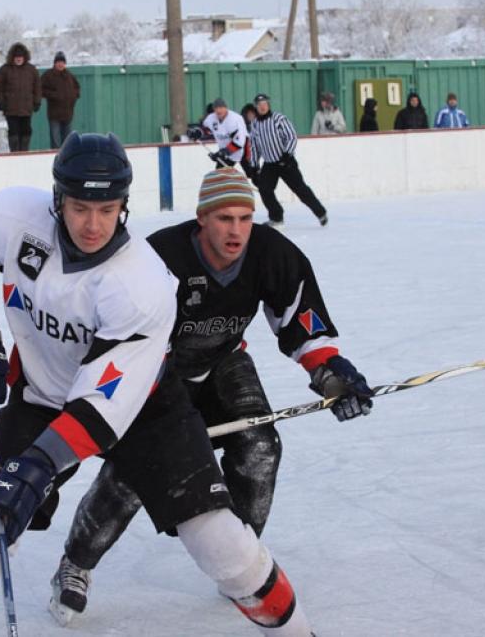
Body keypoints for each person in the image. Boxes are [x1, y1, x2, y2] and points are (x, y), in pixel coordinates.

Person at [0, 133, 317, 637]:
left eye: (107, 209)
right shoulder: (13, 214)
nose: (92, 224)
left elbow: (100, 408)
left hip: (146, 410)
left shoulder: (143, 284)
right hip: (42, 396)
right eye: (80, 207)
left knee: (222, 543)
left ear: (124, 206)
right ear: (58, 198)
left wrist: (35, 471)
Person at [49, 167, 372, 626]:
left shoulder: (272, 254)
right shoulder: (158, 256)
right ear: (202, 219)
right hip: (155, 370)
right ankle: (75, 563)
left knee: (260, 447)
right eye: (224, 219)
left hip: (223, 362)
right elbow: (116, 330)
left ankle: (241, 562)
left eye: (244, 218)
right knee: (136, 472)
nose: (236, 230)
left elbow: (300, 319)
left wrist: (331, 374)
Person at [248, 93, 328, 228]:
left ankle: (321, 213)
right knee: (264, 189)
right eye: (259, 105)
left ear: (268, 105)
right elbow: (255, 145)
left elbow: (291, 137)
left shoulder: (278, 119)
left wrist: (287, 154)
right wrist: (254, 166)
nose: (262, 107)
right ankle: (276, 217)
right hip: (269, 164)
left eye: (265, 104)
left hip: (286, 162)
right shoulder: (255, 124)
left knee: (300, 189)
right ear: (256, 107)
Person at [0, 42, 41, 152]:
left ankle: (24, 152)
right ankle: (15, 153)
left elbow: (37, 86)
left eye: (20, 57)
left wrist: (37, 101)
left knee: (26, 131)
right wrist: (0, 102)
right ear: (12, 57)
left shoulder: (31, 70)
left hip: (26, 108)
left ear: (25, 57)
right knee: (13, 132)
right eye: (16, 57)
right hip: (10, 108)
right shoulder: (4, 70)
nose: (19, 59)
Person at [194, 98, 249, 169]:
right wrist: (197, 133)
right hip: (227, 153)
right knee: (220, 175)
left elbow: (239, 143)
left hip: (244, 151)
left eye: (221, 107)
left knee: (251, 174)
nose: (218, 110)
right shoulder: (211, 118)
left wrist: (222, 153)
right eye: (216, 108)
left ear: (226, 108)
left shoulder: (235, 119)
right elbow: (206, 130)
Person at [41, 51, 81, 149]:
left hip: (68, 114)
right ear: (54, 63)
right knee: (56, 142)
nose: (60, 64)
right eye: (58, 62)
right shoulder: (48, 75)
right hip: (54, 114)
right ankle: (55, 158)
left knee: (68, 142)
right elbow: (40, 89)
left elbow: (77, 88)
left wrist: (74, 96)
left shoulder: (69, 76)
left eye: (62, 62)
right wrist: (54, 95)